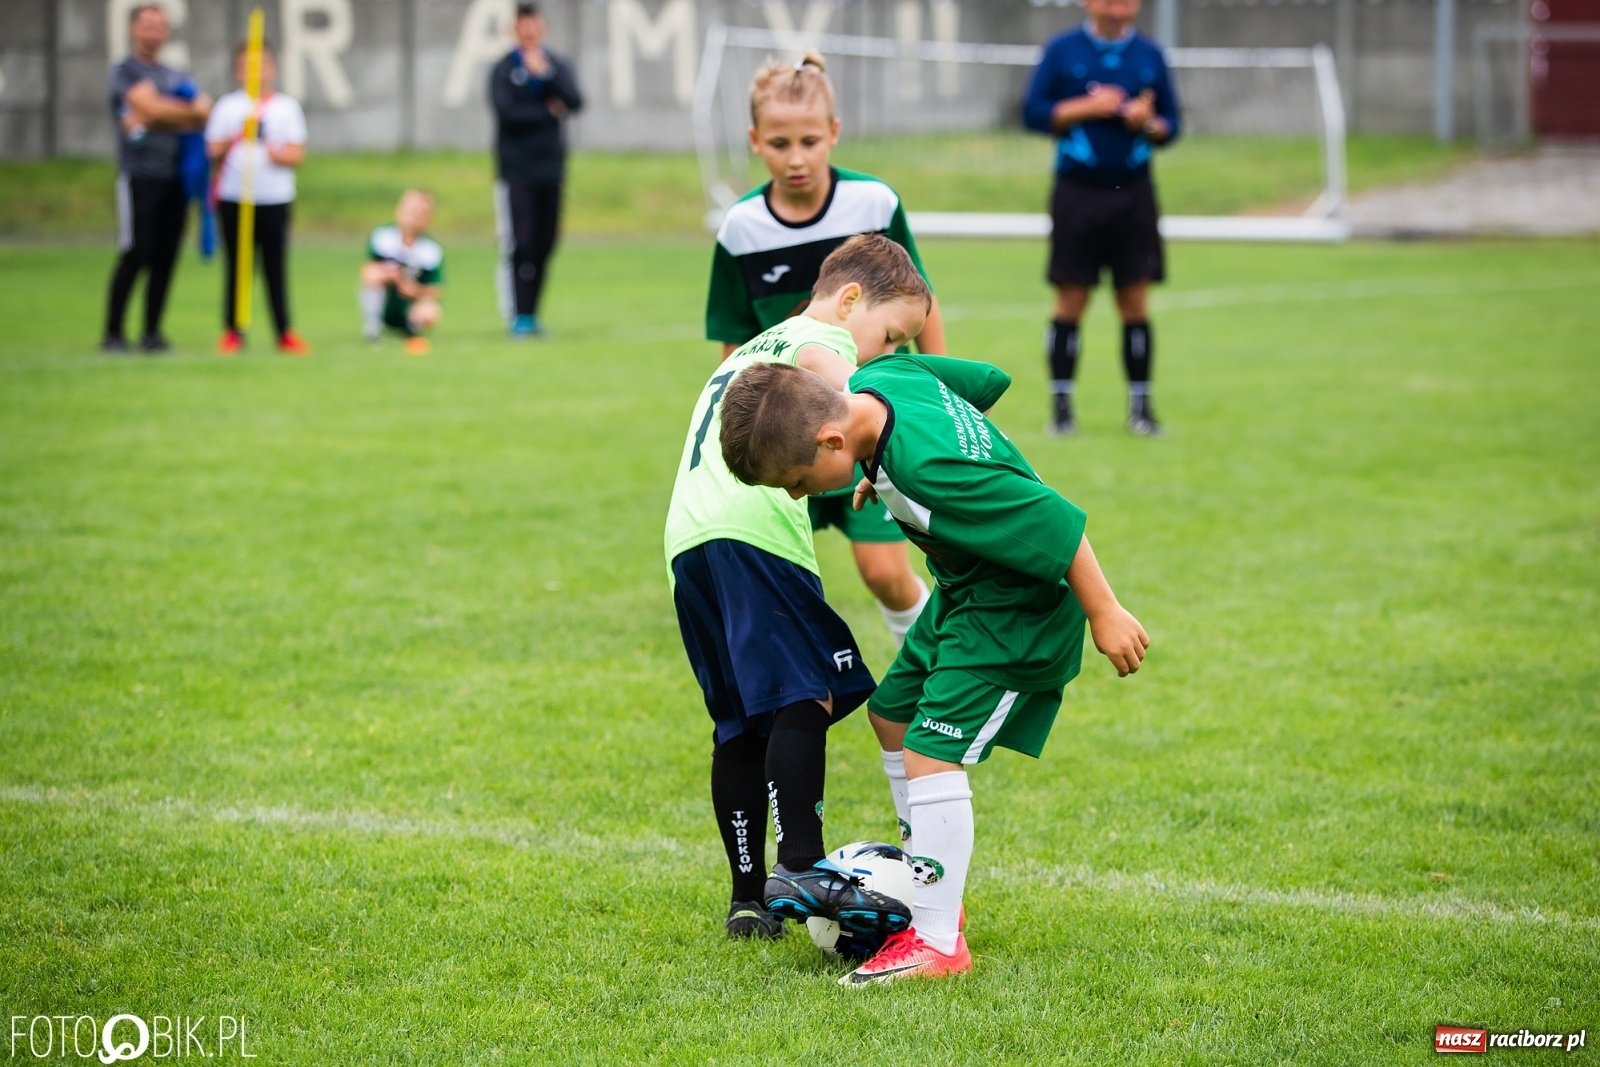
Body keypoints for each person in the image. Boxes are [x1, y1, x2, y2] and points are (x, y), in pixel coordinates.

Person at [718, 299, 1150, 984]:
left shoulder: (932, 472)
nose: (802, 496)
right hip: (965, 591)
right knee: (893, 713)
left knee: (929, 747)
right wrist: (877, 473)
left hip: (1019, 608)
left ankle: (938, 940)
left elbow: (1054, 519)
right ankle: (929, 888)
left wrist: (1107, 612)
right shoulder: (879, 384)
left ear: (831, 440)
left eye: (799, 483)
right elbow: (980, 380)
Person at [666, 235, 932, 942]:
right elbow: (832, 380)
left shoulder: (759, 345)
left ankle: (749, 899)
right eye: (889, 336)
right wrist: (875, 446)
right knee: (804, 693)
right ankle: (803, 863)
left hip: (688, 541)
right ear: (850, 301)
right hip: (756, 533)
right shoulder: (823, 339)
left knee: (740, 724)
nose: (883, 354)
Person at [705, 51, 946, 651]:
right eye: (779, 143)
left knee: (886, 572)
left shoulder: (873, 206)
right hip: (782, 433)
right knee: (780, 583)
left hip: (866, 427)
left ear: (833, 134)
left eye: (810, 140)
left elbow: (920, 302)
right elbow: (733, 338)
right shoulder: (740, 228)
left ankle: (924, 658)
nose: (796, 158)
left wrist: (942, 393)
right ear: (755, 141)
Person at [1022, 0, 1181, 436]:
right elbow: (1032, 112)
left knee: (1135, 302)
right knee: (1070, 301)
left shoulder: (1150, 55)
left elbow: (1172, 125)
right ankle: (1061, 410)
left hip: (1134, 195)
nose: (1116, 7)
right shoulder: (1061, 50)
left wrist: (1146, 122)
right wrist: (1085, 108)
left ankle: (1141, 410)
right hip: (1078, 195)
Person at [102, 3, 211, 354]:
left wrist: (161, 112)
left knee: (166, 255)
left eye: (160, 26)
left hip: (175, 178)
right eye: (148, 26)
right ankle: (114, 333)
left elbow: (203, 112)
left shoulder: (173, 74)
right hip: (139, 177)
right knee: (136, 252)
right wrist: (177, 113)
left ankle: (152, 332)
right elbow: (149, 108)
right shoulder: (125, 71)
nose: (154, 32)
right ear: (134, 29)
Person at [206, 40, 310, 356]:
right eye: (247, 65)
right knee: (237, 267)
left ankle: (283, 331)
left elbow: (297, 153)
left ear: (272, 67)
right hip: (235, 197)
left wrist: (276, 151)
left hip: (274, 198)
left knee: (275, 266)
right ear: (238, 71)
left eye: (261, 63)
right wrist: (238, 134)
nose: (255, 71)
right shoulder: (227, 107)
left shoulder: (286, 108)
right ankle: (233, 330)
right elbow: (212, 149)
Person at [489, 2, 582, 338]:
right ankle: (518, 315)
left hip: (550, 168)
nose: (529, 32)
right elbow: (509, 115)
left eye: (534, 26)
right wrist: (546, 110)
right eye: (523, 26)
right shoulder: (503, 70)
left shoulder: (555, 65)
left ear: (542, 28)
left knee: (546, 242)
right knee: (521, 242)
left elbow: (574, 100)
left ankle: (533, 314)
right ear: (515, 29)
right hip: (516, 170)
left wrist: (545, 77)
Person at [359, 190, 445, 356]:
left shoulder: (430, 250)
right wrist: (389, 275)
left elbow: (436, 289)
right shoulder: (383, 237)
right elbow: (366, 270)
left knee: (431, 310)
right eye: (411, 211)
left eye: (420, 213)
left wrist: (414, 290)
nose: (413, 217)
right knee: (373, 275)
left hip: (408, 303)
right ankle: (373, 327)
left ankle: (411, 328)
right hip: (387, 298)